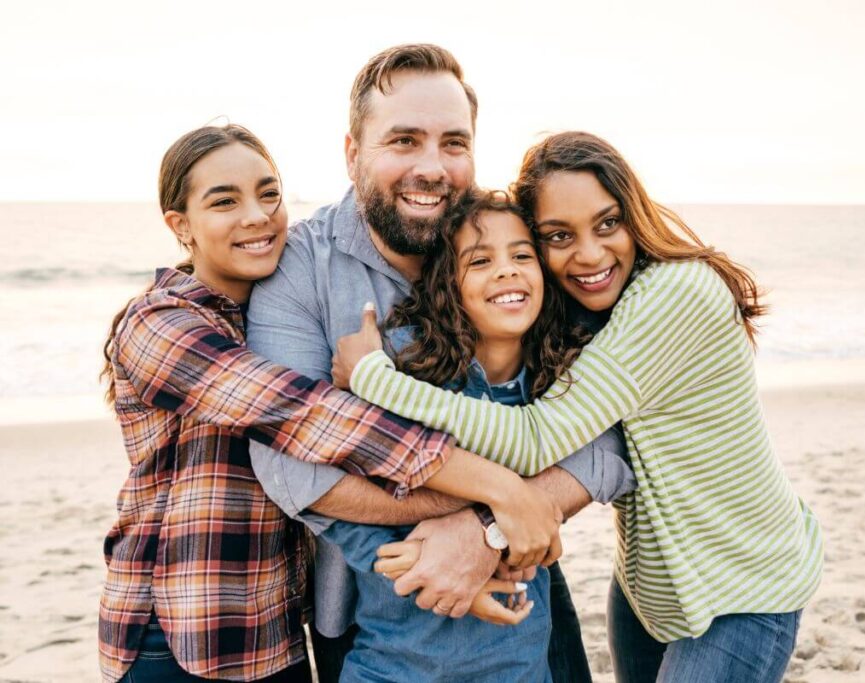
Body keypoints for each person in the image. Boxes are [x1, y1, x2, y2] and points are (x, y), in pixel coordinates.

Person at [333, 131, 825, 683]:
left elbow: (535, 439)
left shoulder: (676, 294)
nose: (589, 253)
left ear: (633, 213)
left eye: (607, 223)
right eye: (559, 236)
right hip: (652, 590)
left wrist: (375, 379)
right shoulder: (589, 310)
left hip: (745, 585)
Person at [97, 124, 561, 683]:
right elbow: (306, 416)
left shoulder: (272, 312)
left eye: (269, 195)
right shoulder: (161, 324)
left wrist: (485, 525)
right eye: (224, 201)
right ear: (180, 225)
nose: (257, 216)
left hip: (279, 631)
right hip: (178, 631)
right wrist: (503, 493)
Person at [247, 45, 635, 683]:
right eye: (404, 140)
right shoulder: (299, 269)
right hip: (374, 616)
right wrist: (485, 506)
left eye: (454, 142)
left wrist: (486, 531)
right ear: (353, 152)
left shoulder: (511, 243)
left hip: (519, 583)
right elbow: (289, 465)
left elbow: (611, 430)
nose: (433, 167)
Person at [325, 190, 627, 682]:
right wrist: (421, 570)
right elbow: (336, 490)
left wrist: (496, 536)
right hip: (392, 662)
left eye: (522, 255)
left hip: (517, 664)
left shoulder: (566, 384)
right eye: (480, 260)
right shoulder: (404, 365)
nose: (506, 270)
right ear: (449, 282)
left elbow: (611, 457)